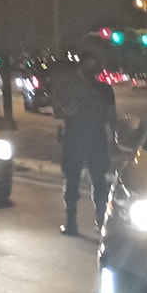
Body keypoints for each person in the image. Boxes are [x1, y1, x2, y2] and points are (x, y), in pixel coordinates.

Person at [56, 58, 118, 235]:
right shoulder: (104, 89)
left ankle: (73, 223)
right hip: (94, 140)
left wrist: (68, 111)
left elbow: (58, 111)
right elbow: (112, 116)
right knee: (98, 181)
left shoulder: (72, 88)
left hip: (76, 140)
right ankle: (99, 221)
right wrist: (114, 138)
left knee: (74, 181)